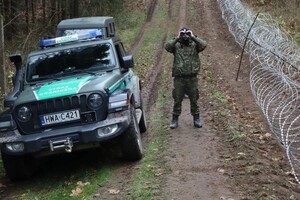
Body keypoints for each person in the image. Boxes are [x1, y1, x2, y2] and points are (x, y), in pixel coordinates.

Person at [165, 27, 207, 129]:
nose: (185, 36)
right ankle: (174, 119)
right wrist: (177, 37)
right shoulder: (177, 45)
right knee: (177, 99)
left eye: (186, 34)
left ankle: (196, 118)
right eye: (183, 34)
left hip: (192, 78)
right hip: (179, 78)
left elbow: (204, 45)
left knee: (194, 99)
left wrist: (193, 36)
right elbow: (167, 47)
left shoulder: (194, 45)